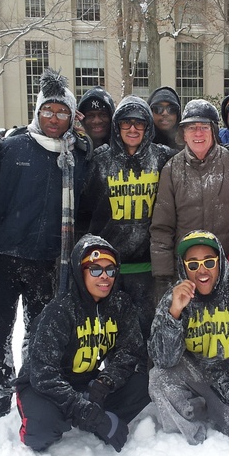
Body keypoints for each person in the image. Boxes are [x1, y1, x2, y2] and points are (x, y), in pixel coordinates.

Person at [0, 69, 92, 417]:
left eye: (62, 112)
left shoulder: (78, 158)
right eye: (48, 110)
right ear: (37, 112)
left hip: (49, 260)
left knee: (39, 329)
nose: (54, 118)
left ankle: (30, 385)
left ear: (71, 117)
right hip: (5, 254)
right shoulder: (13, 147)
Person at [15, 234, 150, 453]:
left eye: (110, 270)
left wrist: (105, 383)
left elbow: (130, 352)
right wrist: (88, 413)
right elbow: (42, 374)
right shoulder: (61, 311)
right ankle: (74, 416)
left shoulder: (120, 305)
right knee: (40, 433)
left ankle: (88, 415)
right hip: (45, 387)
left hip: (87, 382)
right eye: (95, 270)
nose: (104, 277)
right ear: (81, 272)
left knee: (144, 383)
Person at [148, 230, 229, 445]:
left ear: (220, 261)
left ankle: (213, 407)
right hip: (196, 373)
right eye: (193, 264)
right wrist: (174, 314)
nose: (202, 270)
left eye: (209, 262)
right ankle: (186, 439)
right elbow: (163, 360)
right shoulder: (175, 296)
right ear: (183, 267)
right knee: (159, 378)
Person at [81, 96, 175, 339]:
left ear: (148, 127)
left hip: (148, 267)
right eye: (126, 123)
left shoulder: (163, 158)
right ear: (116, 126)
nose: (132, 129)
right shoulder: (100, 160)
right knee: (113, 333)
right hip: (109, 266)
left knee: (147, 331)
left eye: (139, 123)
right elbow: (84, 211)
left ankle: (144, 376)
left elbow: (197, 158)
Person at [150, 99, 229, 295]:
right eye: (191, 127)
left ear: (214, 132)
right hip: (188, 274)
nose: (198, 133)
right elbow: (162, 228)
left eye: (204, 127)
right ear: (183, 134)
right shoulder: (171, 170)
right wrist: (164, 277)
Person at [147, 86, 183, 150]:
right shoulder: (141, 146)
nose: (165, 113)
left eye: (172, 109)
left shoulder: (190, 146)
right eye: (157, 109)